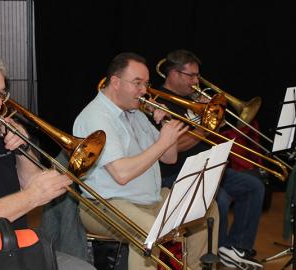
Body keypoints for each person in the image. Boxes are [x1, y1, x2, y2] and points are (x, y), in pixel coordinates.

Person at [73, 52, 220, 270]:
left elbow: (169, 158)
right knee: (149, 232)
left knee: (206, 207)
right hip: (105, 204)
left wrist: (165, 125)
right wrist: (162, 143)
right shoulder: (97, 117)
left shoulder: (136, 113)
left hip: (147, 198)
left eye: (146, 83)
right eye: (137, 83)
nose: (144, 90)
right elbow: (121, 174)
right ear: (115, 82)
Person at [0, 51, 96, 270]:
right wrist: (31, 196)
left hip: (20, 248)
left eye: (1, 93)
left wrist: (22, 148)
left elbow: (32, 181)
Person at [154, 49, 265, 269]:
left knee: (254, 186)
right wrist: (206, 127)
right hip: (177, 173)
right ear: (174, 74)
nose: (197, 81)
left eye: (197, 76)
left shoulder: (194, 99)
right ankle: (219, 250)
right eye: (191, 76)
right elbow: (173, 144)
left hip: (208, 167)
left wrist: (213, 114)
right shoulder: (159, 102)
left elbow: (214, 133)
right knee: (220, 200)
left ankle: (236, 249)